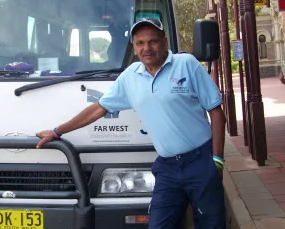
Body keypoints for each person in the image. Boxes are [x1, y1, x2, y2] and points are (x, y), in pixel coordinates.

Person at [36, 17, 227, 229]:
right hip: (167, 167)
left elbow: (216, 112)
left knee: (211, 224)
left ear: (164, 43)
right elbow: (97, 109)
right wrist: (57, 131)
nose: (147, 48)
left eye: (153, 41)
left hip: (200, 160)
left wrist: (217, 159)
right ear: (134, 48)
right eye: (140, 43)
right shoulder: (129, 78)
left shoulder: (187, 65)